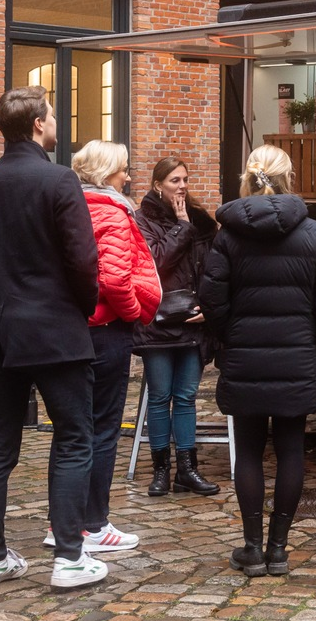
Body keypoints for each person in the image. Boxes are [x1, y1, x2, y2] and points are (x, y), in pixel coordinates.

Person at [0, 85, 107, 590]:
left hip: (2, 329)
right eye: (52, 115)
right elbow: (84, 259)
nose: (56, 121)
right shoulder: (58, 179)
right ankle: (68, 557)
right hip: (57, 329)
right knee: (72, 437)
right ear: (39, 125)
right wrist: (79, 307)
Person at [198, 145, 316, 577]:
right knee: (291, 448)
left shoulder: (228, 236)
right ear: (289, 177)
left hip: (244, 355)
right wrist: (307, 334)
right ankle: (278, 548)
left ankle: (251, 547)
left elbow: (212, 299)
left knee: (248, 450)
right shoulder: (314, 234)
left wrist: (231, 337)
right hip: (296, 354)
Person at [40, 140, 160, 553]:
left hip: (69, 328)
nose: (128, 176)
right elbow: (113, 277)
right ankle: (93, 523)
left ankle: (62, 523)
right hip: (105, 329)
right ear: (106, 173)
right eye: (123, 169)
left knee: (70, 431)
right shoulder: (109, 209)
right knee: (103, 429)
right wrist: (131, 312)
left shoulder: (64, 206)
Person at [131, 156, 220, 497]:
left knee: (185, 397)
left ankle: (187, 470)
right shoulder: (143, 220)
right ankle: (160, 472)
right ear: (157, 185)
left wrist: (209, 308)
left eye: (185, 179)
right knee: (160, 397)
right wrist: (181, 226)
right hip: (158, 322)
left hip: (194, 323)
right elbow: (155, 264)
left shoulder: (201, 221)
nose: (182, 186)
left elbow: (213, 270)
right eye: (174, 180)